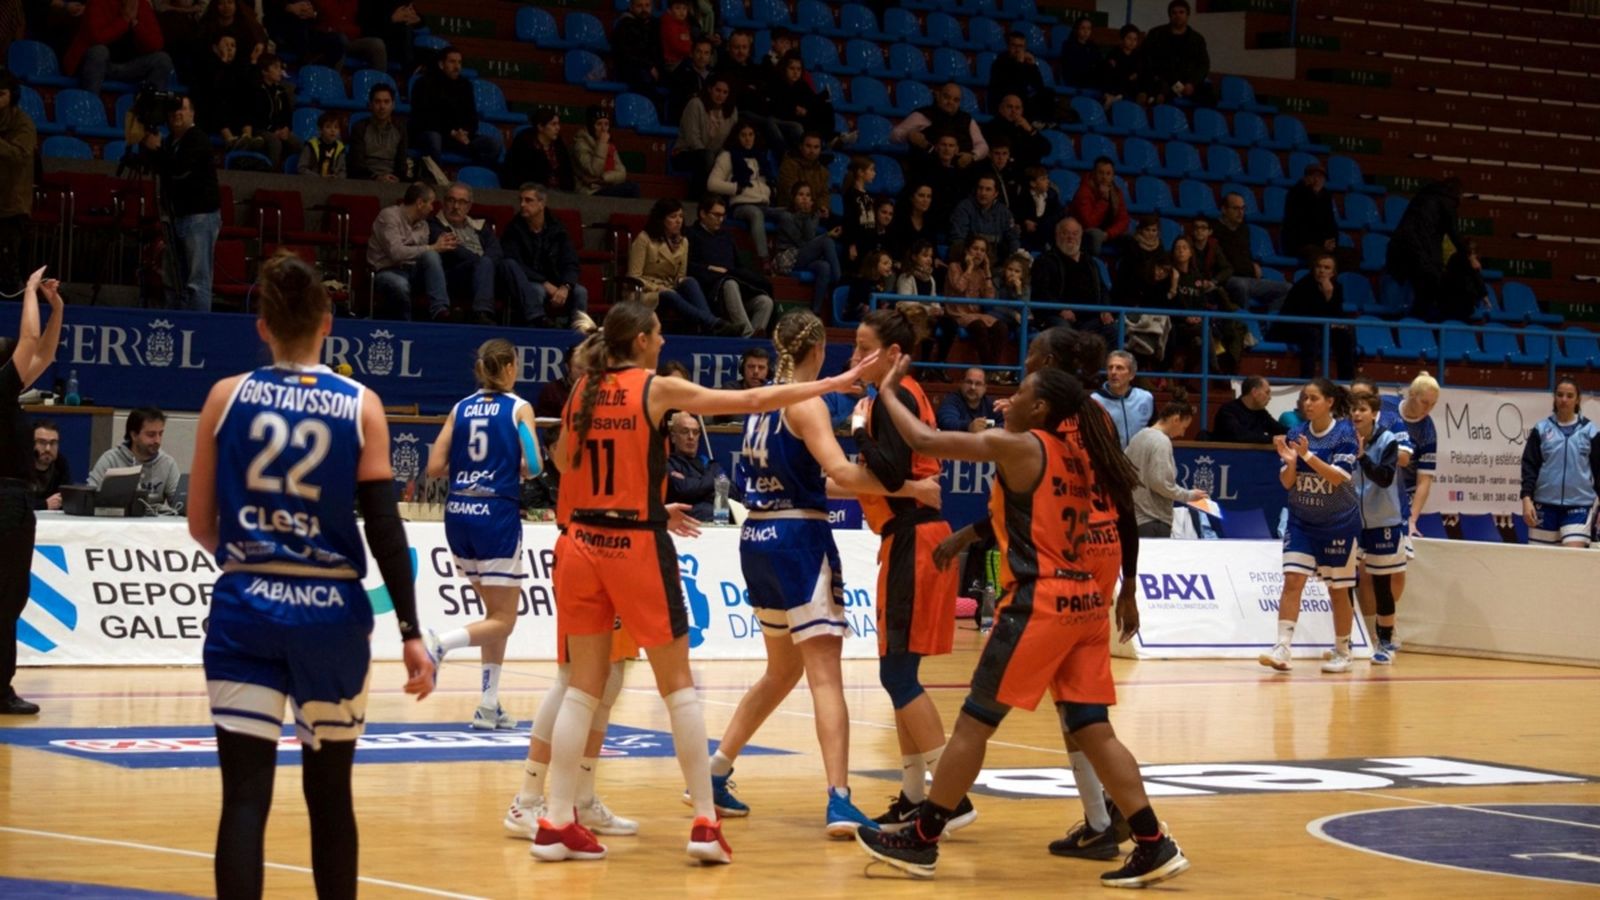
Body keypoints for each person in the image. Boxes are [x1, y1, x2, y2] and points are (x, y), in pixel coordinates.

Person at [529, 301, 880, 863]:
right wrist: (837, 382)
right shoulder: (653, 388)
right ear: (641, 340)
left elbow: (565, 461)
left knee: (581, 688)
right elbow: (748, 399)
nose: (664, 340)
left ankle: (554, 817)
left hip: (581, 544)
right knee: (679, 688)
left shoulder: (581, 393)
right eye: (660, 333)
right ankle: (703, 822)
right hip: (635, 545)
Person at [854, 355, 1189, 888]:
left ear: (1042, 408)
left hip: (1043, 601)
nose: (1007, 401)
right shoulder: (1075, 456)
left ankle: (923, 839)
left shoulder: (1023, 445)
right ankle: (1153, 841)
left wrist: (885, 392)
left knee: (973, 721)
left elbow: (925, 441)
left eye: (1020, 393)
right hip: (1085, 604)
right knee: (1092, 728)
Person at [186, 252, 434, 898]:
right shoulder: (361, 404)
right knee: (330, 799)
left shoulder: (224, 397)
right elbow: (385, 527)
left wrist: (254, 557)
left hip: (246, 607)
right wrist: (410, 629)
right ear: (328, 322)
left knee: (243, 799)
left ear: (261, 326)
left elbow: (200, 524)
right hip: (330, 614)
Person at [703, 313, 939, 837]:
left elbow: (816, 481)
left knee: (780, 671)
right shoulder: (805, 401)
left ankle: (715, 771)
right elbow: (841, 473)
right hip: (797, 542)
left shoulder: (762, 402)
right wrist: (909, 489)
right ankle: (839, 798)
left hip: (756, 539)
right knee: (825, 676)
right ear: (815, 351)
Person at [847, 305, 973, 833]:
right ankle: (913, 794)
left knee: (896, 673)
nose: (853, 358)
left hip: (914, 542)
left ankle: (952, 798)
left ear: (893, 355)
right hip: (911, 540)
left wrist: (856, 430)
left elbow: (892, 469)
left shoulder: (890, 399)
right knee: (903, 674)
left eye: (862, 348)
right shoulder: (900, 397)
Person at [424, 339, 541, 728]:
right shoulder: (519, 408)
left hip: (458, 513)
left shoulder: (460, 409)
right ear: (508, 366)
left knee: (493, 615)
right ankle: (440, 644)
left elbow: (435, 466)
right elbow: (536, 465)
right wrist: (509, 465)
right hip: (495, 514)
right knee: (505, 619)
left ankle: (489, 704)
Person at [1260, 378, 1360, 674]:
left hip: (1338, 522)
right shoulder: (1296, 432)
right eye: (1304, 398)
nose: (1307, 403)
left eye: (1314, 398)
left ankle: (1343, 649)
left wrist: (1306, 455)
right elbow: (1287, 482)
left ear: (1329, 402)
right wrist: (1291, 462)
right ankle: (1282, 647)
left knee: (1338, 591)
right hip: (1302, 519)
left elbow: (1337, 477)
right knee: (1292, 581)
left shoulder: (1344, 434)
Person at [1, 267, 64, 716]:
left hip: (15, 501)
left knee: (11, 599)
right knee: (4, 598)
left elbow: (42, 353)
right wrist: (28, 293)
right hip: (4, 500)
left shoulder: (6, 391)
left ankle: (1, 687)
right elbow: (27, 342)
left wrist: (55, 307)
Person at [139, 95, 220, 312]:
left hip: (199, 217)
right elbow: (157, 167)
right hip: (177, 217)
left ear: (192, 113)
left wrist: (157, 150)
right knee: (175, 281)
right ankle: (177, 325)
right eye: (173, 110)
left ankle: (199, 330)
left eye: (183, 109)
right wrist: (148, 146)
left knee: (197, 281)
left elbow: (179, 169)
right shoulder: (169, 143)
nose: (177, 113)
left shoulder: (197, 138)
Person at [1347, 391, 1407, 665]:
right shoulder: (1344, 438)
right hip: (1351, 521)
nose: (1356, 414)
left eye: (1362, 409)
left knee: (1382, 585)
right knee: (1345, 582)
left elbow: (1384, 478)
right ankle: (1346, 639)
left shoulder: (1388, 441)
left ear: (1374, 413)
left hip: (1384, 522)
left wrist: (1362, 458)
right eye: (1353, 410)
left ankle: (1385, 641)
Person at [626, 198, 735, 336]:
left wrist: (681, 280)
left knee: (689, 282)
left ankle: (710, 325)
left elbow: (679, 275)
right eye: (673, 217)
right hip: (645, 292)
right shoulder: (644, 239)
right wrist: (660, 288)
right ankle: (714, 325)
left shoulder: (683, 242)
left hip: (670, 287)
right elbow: (633, 276)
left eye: (681, 217)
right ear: (661, 219)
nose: (678, 221)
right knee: (669, 295)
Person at [499, 183, 594, 332]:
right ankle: (535, 333)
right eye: (521, 200)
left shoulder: (558, 228)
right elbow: (514, 263)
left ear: (542, 203)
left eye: (528, 200)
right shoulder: (513, 229)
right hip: (528, 281)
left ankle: (577, 338)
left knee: (580, 292)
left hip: (556, 281)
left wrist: (565, 286)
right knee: (537, 291)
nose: (522, 205)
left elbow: (571, 262)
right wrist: (544, 283)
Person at [1519, 377, 1598, 548]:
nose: (1564, 400)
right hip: (1544, 506)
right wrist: (1526, 499)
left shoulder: (1590, 431)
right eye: (1560, 395)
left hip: (1579, 506)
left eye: (1570, 396)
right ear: (1554, 397)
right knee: (1543, 565)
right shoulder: (1541, 429)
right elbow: (1529, 467)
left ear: (1578, 399)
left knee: (1572, 559)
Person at [687, 194, 775, 337]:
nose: (720, 219)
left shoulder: (726, 236)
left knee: (765, 301)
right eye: (716, 215)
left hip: (735, 292)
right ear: (702, 214)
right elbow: (687, 266)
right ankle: (748, 335)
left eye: (723, 215)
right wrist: (709, 269)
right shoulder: (691, 235)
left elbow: (738, 266)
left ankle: (751, 343)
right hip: (711, 292)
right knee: (730, 283)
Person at [369, 182, 455, 322]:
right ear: (420, 203)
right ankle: (407, 327)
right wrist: (431, 247)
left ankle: (440, 311)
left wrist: (434, 248)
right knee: (400, 284)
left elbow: (421, 254)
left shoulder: (424, 225)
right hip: (388, 270)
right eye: (431, 203)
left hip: (413, 270)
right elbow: (396, 253)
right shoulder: (389, 216)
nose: (432, 208)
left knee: (431, 256)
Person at [706, 121, 788, 261]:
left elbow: (767, 180)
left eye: (751, 135)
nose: (748, 139)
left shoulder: (760, 156)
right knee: (755, 214)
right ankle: (764, 259)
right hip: (741, 205)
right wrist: (735, 188)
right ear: (736, 137)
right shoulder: (728, 155)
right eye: (743, 135)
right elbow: (711, 184)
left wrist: (770, 190)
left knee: (787, 214)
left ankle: (783, 256)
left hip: (763, 203)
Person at [410, 46, 502, 169]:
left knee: (493, 145)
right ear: (441, 64)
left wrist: (465, 133)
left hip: (459, 137)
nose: (457, 66)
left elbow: (472, 117)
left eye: (459, 62)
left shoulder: (465, 85)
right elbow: (425, 118)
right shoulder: (424, 83)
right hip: (433, 133)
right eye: (452, 62)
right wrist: (452, 132)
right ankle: (436, 180)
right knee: (434, 138)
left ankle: (473, 177)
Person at [1385, 178, 1464, 321]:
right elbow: (1454, 234)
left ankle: (1408, 322)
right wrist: (1468, 254)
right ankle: (1419, 323)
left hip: (1400, 249)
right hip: (1421, 252)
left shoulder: (1421, 196)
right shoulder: (1447, 202)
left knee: (1419, 289)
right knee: (1430, 290)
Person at [1031, 217, 1118, 346]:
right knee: (1065, 333)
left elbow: (1103, 289)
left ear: (1081, 237)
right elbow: (1041, 292)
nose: (1070, 237)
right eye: (1065, 233)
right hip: (1057, 316)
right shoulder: (1045, 261)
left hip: (1090, 318)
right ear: (1057, 236)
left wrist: (1105, 310)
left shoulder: (1090, 263)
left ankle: (1102, 366)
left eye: (1075, 233)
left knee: (1112, 330)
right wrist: (1060, 310)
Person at [1127, 393, 1204, 537]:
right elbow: (1161, 483)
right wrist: (1189, 495)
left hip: (1134, 520)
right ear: (1176, 419)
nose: (1182, 433)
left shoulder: (1139, 436)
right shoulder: (1162, 441)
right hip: (1153, 522)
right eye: (1184, 427)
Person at [427, 181, 502, 326]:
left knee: (509, 265)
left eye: (462, 202)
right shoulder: (434, 224)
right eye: (451, 200)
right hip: (454, 275)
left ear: (469, 206)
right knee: (485, 262)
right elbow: (454, 250)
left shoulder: (480, 226)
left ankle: (536, 318)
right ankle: (481, 313)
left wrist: (486, 265)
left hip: (485, 274)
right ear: (443, 202)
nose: (456, 207)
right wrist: (482, 263)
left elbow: (496, 250)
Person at [1273, 253, 1355, 380]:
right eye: (1319, 267)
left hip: (1318, 327)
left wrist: (1329, 296)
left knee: (1344, 335)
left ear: (1333, 273)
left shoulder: (1336, 287)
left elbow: (1337, 314)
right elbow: (1306, 314)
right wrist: (1327, 300)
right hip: (1292, 326)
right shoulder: (1303, 285)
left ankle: (1347, 381)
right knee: (1312, 334)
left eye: (1327, 268)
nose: (1322, 270)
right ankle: (1307, 380)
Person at [65, 0, 173, 93]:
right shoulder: (98, 2)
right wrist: (124, 20)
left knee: (162, 59)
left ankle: (149, 110)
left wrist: (135, 24)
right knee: (99, 52)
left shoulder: (141, 5)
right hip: (98, 64)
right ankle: (91, 105)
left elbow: (157, 44)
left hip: (129, 66)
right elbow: (97, 38)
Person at [87, 406, 180, 510]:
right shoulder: (110, 460)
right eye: (151, 435)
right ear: (134, 435)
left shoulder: (168, 463)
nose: (157, 440)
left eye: (160, 434)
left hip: (154, 524)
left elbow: (179, 504)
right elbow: (90, 497)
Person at [943, 237, 1013, 374]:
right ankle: (992, 372)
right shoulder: (954, 267)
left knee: (1002, 327)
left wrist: (987, 273)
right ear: (967, 250)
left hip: (976, 314)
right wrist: (969, 268)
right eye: (975, 249)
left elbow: (989, 299)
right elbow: (959, 287)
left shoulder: (981, 273)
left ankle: (990, 370)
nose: (979, 253)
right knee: (979, 327)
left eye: (982, 250)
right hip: (957, 313)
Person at [772, 182, 842, 317]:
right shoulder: (786, 216)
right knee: (827, 241)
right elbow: (801, 242)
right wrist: (826, 234)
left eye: (808, 195)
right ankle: (838, 280)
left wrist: (811, 216)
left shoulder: (811, 215)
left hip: (803, 256)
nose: (805, 198)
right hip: (789, 257)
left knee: (824, 266)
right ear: (793, 197)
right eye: (801, 194)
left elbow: (809, 238)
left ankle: (814, 312)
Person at [1215, 192, 1291, 313]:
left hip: (1250, 278)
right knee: (1240, 286)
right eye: (1236, 208)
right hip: (1229, 279)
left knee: (1287, 288)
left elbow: (1245, 254)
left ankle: (1270, 325)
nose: (1241, 212)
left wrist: (1253, 264)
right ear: (1224, 209)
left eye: (1243, 208)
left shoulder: (1244, 229)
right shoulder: (1214, 230)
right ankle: (1244, 326)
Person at [1386, 372, 1439, 540]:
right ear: (1411, 394)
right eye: (1424, 402)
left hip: (1403, 494)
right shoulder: (1385, 405)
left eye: (1433, 404)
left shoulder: (1428, 430)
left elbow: (1425, 481)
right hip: (1373, 485)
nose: (1428, 409)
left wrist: (1412, 520)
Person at [0, 70, 35, 297]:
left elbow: (20, 155)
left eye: (0, 93)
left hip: (11, 204)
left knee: (7, 266)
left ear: (12, 95)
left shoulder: (23, 123)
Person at [1281, 163, 1355, 270]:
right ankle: (1320, 284)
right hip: (1301, 244)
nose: (1317, 180)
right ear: (1306, 178)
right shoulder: (1296, 194)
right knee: (1318, 256)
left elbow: (1331, 223)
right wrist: (1321, 243)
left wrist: (1332, 242)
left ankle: (1341, 283)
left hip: (1322, 244)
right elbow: (1298, 228)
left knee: (1350, 255)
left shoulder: (1326, 196)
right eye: (1314, 176)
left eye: (1320, 177)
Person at [891, 82, 988, 161]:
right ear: (938, 95)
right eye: (947, 97)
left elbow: (982, 145)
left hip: (961, 171)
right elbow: (894, 135)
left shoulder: (967, 119)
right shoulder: (923, 115)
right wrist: (908, 135)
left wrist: (972, 156)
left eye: (956, 100)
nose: (950, 102)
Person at [674, 76, 738, 196]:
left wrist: (720, 158)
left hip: (715, 155)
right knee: (706, 157)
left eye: (725, 92)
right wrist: (713, 159)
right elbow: (692, 138)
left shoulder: (732, 111)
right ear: (710, 89)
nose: (721, 95)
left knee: (730, 158)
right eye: (718, 90)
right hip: (687, 153)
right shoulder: (695, 104)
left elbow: (731, 140)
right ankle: (700, 196)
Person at [1142, 0, 1212, 106]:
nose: (1177, 15)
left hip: (1189, 83)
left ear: (1187, 15)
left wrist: (1192, 83)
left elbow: (1203, 64)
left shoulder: (1197, 39)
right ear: (1169, 15)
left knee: (1209, 96)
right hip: (1164, 81)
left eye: (1181, 12)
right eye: (1174, 13)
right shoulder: (1156, 34)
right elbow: (1147, 60)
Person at [763, 51, 834, 150]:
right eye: (792, 68)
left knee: (825, 108)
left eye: (798, 69)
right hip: (781, 120)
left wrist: (809, 108)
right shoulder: (776, 82)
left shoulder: (801, 85)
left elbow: (811, 100)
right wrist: (794, 109)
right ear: (784, 69)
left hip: (800, 117)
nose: (796, 72)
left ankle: (827, 141)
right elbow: (775, 106)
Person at [572, 105, 640, 198]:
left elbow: (622, 173)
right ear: (591, 126)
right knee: (631, 188)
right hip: (590, 192)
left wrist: (602, 179)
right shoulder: (581, 144)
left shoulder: (609, 144)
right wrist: (602, 143)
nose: (603, 129)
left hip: (605, 186)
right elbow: (594, 171)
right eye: (599, 124)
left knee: (633, 186)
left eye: (606, 124)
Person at [1092, 351, 1154, 451]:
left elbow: (1155, 431)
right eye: (1110, 367)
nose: (1113, 372)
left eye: (1119, 368)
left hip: (1139, 461)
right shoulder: (1095, 400)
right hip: (1109, 461)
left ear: (1131, 375)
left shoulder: (1146, 398)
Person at [247, 53, 300, 169]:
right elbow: (256, 117)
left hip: (278, 129)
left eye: (280, 67)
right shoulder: (257, 91)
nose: (279, 71)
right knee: (274, 142)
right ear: (265, 71)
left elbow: (287, 114)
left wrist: (286, 128)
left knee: (298, 144)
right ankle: (271, 175)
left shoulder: (280, 91)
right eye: (276, 67)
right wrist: (273, 130)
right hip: (260, 129)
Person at [348, 83, 410, 183]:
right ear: (370, 105)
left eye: (386, 102)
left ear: (393, 105)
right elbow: (356, 165)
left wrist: (397, 178)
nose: (382, 106)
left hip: (393, 180)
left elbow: (401, 164)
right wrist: (376, 178)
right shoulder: (359, 128)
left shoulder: (400, 129)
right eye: (378, 102)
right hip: (365, 181)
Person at [948, 175, 1020, 260]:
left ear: (996, 193)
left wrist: (1013, 258)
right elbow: (958, 240)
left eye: (988, 189)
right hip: (968, 259)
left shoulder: (1003, 212)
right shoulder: (964, 208)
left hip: (994, 263)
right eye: (980, 188)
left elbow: (1013, 239)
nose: (983, 193)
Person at [987, 30, 1053, 122]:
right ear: (1008, 46)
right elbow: (1012, 86)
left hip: (1024, 102)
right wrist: (1019, 64)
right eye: (1014, 46)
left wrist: (1033, 66)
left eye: (1020, 46)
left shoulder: (1027, 62)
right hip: (1005, 101)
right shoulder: (1000, 62)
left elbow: (1039, 86)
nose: (1017, 50)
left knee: (1048, 93)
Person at [506, 108, 576, 195]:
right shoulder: (524, 143)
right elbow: (516, 175)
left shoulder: (558, 144)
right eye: (553, 124)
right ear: (540, 127)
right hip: (533, 192)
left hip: (560, 193)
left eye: (558, 124)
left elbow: (567, 173)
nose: (558, 128)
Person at [1069, 157, 1129, 257]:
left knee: (1129, 239)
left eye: (1108, 174)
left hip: (1106, 233)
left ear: (1113, 176)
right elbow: (1089, 223)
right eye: (1101, 173)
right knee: (1095, 235)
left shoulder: (1116, 192)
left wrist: (1108, 234)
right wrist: (1104, 201)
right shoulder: (1084, 191)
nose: (1104, 177)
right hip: (1083, 232)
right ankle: (1093, 267)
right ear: (1094, 174)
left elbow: (1123, 219)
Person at [665, 411, 719, 520]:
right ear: (673, 437)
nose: (691, 437)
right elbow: (684, 489)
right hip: (685, 526)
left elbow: (732, 492)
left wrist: (696, 488)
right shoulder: (667, 464)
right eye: (685, 432)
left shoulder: (709, 464)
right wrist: (714, 480)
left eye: (695, 432)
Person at [1211, 375, 1287, 443]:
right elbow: (1240, 436)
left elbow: (1279, 429)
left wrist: (1295, 434)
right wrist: (1271, 439)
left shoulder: (1261, 413)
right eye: (1267, 392)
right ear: (1254, 392)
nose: (1270, 397)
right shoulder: (1227, 411)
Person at [611, 0, 661, 96]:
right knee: (644, 78)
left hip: (651, 68)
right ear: (631, 7)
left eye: (647, 5)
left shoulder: (655, 24)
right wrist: (649, 66)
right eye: (639, 6)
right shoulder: (624, 25)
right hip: (631, 68)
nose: (644, 9)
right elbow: (626, 54)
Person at [1437, 238, 1491, 323]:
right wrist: (1484, 296)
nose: (1475, 256)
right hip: (1455, 303)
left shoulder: (1454, 259)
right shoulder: (1469, 263)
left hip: (1452, 303)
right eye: (1473, 253)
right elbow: (1476, 278)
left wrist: (1483, 295)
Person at [777, 132, 831, 215]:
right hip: (791, 210)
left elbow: (824, 195)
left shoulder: (823, 171)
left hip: (813, 210)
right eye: (808, 146)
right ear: (800, 146)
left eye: (816, 147)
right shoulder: (789, 164)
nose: (812, 151)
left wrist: (822, 207)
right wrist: (811, 206)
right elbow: (791, 191)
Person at [667, 36, 716, 122]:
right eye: (699, 52)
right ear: (692, 53)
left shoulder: (714, 76)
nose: (702, 56)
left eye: (706, 53)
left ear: (710, 56)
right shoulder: (681, 73)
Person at [1101, 24, 1151, 106]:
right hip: (1117, 85)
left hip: (1131, 88)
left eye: (1135, 39)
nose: (1132, 42)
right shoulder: (1114, 54)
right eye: (1129, 38)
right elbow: (1112, 74)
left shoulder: (1138, 56)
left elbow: (1139, 74)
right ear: (1122, 39)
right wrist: (1128, 77)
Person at [1017, 166, 1063, 253]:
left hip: (1047, 233)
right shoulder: (1023, 197)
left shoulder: (1052, 195)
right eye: (1043, 179)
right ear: (1033, 183)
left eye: (1047, 178)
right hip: (1029, 235)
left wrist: (1044, 224)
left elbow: (1059, 213)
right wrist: (1025, 222)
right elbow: (1018, 215)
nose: (1048, 182)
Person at [27, 420, 70, 511]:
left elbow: (67, 498)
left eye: (53, 443)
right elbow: (12, 502)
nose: (48, 448)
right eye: (42, 442)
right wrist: (44, 504)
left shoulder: (60, 463)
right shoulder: (20, 464)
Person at [938, 368, 996, 433]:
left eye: (978, 384)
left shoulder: (990, 403)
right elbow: (947, 422)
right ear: (961, 384)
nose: (973, 387)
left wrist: (986, 427)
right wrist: (969, 426)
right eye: (969, 382)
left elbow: (1005, 424)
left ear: (985, 388)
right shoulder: (951, 400)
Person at [297, 110, 346, 178]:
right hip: (313, 183)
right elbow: (301, 169)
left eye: (336, 127)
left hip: (333, 185)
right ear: (320, 130)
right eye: (328, 127)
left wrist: (337, 177)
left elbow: (343, 171)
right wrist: (319, 177)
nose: (333, 130)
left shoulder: (340, 148)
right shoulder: (311, 145)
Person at [1058, 16, 1103, 90]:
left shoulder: (1093, 46)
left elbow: (1099, 62)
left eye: (1089, 29)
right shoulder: (1068, 45)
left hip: (1090, 76)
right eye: (1083, 28)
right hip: (1076, 77)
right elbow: (1070, 67)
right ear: (1077, 29)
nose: (1086, 31)